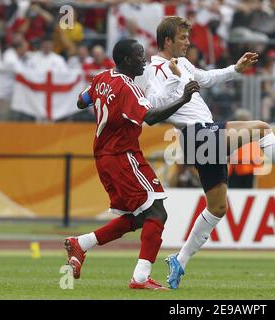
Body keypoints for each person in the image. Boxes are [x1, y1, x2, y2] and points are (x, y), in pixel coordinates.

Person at [139, 16, 275, 289]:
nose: (188, 42)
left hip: (201, 135)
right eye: (182, 38)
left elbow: (205, 78)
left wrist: (236, 69)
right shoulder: (154, 68)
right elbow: (152, 108)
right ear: (167, 41)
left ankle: (180, 260)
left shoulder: (182, 63)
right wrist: (174, 81)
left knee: (217, 208)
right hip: (196, 134)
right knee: (261, 128)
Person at [64, 38, 200, 290]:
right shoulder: (129, 89)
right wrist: (183, 98)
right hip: (123, 155)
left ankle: (81, 244)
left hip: (103, 157)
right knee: (157, 212)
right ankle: (140, 278)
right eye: (139, 56)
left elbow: (81, 101)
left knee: (138, 217)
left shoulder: (102, 76)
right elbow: (150, 118)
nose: (144, 60)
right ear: (127, 59)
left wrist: (102, 102)